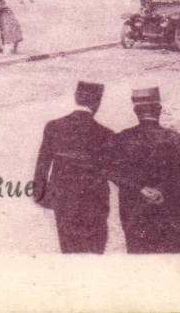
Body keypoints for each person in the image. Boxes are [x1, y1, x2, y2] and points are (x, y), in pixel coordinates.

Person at [107, 87, 180, 253]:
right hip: (173, 219)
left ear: (136, 111)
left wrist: (140, 189)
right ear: (159, 110)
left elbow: (112, 173)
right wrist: (163, 191)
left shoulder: (121, 139)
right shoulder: (179, 140)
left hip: (136, 220)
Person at [33, 81, 114, 253]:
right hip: (95, 202)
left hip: (64, 199)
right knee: (95, 252)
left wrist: (39, 195)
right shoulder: (106, 133)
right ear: (97, 102)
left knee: (68, 248)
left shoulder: (54, 126)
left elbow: (43, 163)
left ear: (76, 98)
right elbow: (113, 171)